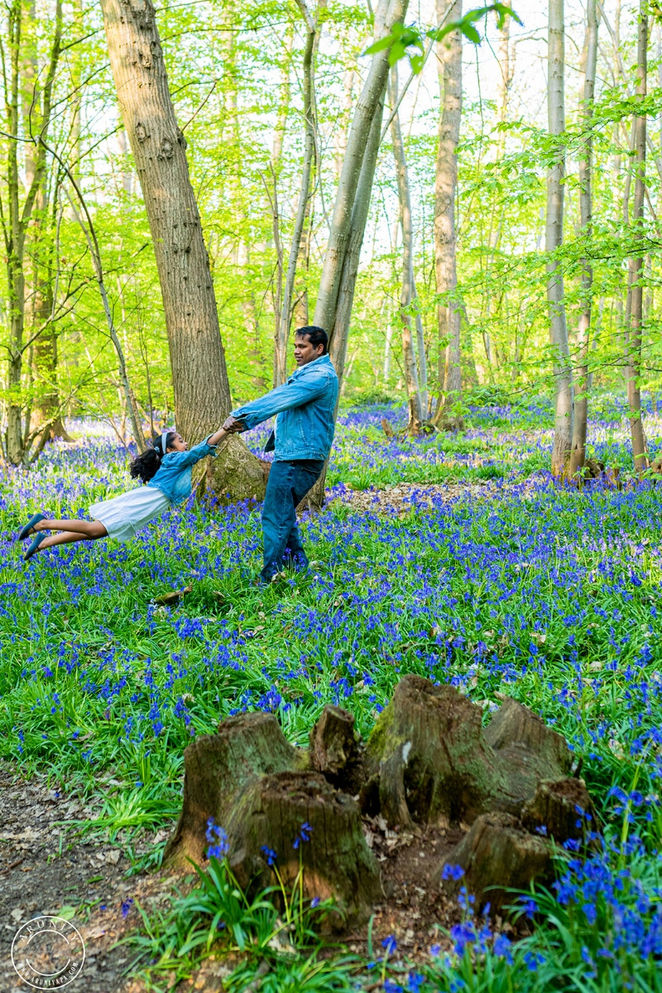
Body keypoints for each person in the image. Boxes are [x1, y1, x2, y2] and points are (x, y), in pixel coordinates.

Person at [223, 325, 338, 583]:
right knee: (283, 513)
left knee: (275, 515)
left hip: (298, 458)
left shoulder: (319, 377)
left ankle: (268, 576)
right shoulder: (309, 372)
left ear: (319, 349)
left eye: (302, 347)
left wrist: (242, 416)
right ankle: (298, 567)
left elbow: (281, 398)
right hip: (294, 454)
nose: (296, 351)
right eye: (295, 346)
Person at [17, 426, 228, 560]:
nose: (185, 443)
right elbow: (201, 449)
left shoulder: (172, 461)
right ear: (171, 450)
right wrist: (225, 429)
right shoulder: (174, 459)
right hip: (139, 505)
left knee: (95, 534)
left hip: (143, 505)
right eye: (181, 441)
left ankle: (43, 542)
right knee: (92, 529)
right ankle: (43, 523)